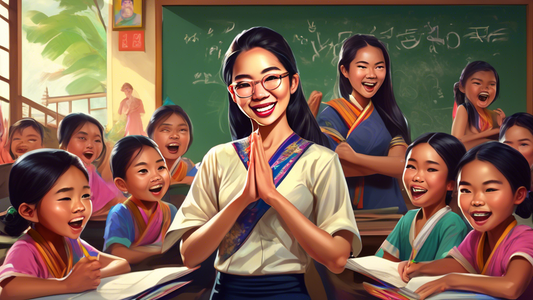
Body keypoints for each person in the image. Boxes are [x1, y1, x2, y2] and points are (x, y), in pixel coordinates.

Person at [163, 26, 360, 299]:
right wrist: (242, 199)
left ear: (293, 82)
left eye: (271, 79)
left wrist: (273, 197)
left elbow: (338, 259)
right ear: (233, 93)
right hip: (226, 292)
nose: (259, 93)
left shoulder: (321, 160)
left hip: (289, 292)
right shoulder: (217, 158)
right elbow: (190, 254)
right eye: (244, 84)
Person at [400, 142, 533, 300]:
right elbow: (459, 265)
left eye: (489, 189)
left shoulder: (524, 237)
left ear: (518, 195)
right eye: (466, 190)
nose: (476, 201)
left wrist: (451, 281)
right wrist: (420, 267)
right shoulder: (475, 237)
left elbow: (512, 287)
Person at [0, 149, 130, 299]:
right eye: (66, 198)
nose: (80, 206)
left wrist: (88, 278)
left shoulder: (72, 243)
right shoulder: (26, 249)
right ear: (29, 211)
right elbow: (9, 291)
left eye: (85, 195)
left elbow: (121, 264)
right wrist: (67, 284)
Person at [311, 34, 411, 213]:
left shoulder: (392, 116)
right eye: (362, 66)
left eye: (379, 67)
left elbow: (403, 165)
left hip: (390, 210)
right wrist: (384, 164)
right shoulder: (332, 115)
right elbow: (334, 168)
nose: (372, 75)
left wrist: (355, 158)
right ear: (345, 71)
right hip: (341, 212)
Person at [376, 132, 468, 262]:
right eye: (411, 166)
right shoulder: (407, 219)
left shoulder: (452, 223)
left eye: (431, 169)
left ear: (451, 183)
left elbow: (442, 271)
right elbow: (381, 261)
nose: (417, 177)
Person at [103, 135, 177, 265]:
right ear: (122, 184)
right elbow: (118, 253)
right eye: (143, 171)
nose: (156, 176)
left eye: (160, 167)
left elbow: (179, 245)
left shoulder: (170, 210)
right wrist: (160, 251)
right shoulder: (121, 213)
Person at [58, 113, 125, 220]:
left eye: (97, 140)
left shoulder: (89, 169)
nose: (90, 145)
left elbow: (110, 198)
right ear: (64, 143)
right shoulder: (60, 171)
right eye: (82, 138)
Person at [451, 61, 505, 150]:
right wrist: (494, 131)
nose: (485, 88)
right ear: (462, 87)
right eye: (477, 83)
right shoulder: (464, 109)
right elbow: (457, 141)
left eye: (492, 84)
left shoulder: (495, 115)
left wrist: (504, 125)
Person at [146, 105, 197, 185]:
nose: (174, 135)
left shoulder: (194, 170)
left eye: (182, 130)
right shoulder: (138, 169)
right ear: (151, 135)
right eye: (166, 130)